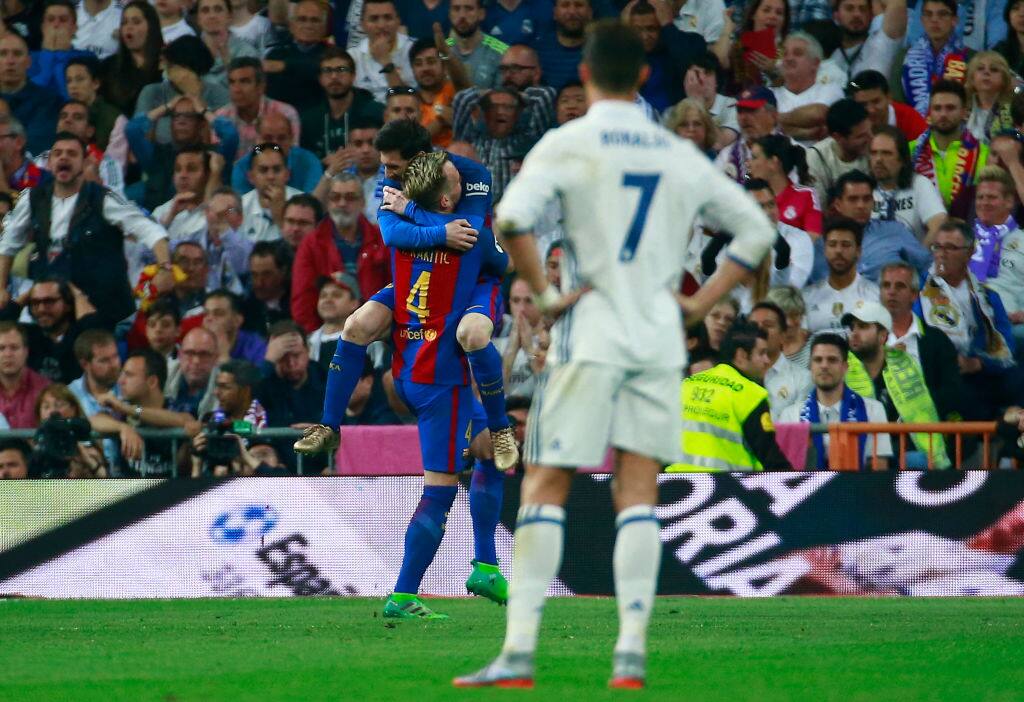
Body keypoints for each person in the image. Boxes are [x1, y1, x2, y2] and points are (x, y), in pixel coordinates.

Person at [454, 21, 775, 689]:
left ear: (585, 75)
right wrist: (698, 301)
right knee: (639, 492)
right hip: (657, 336)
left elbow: (511, 219)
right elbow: (754, 228)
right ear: (643, 77)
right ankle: (630, 650)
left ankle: (519, 652)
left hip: (591, 330)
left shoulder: (567, 142)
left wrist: (543, 291)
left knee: (546, 483)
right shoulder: (675, 150)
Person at [0, 132, 173, 329]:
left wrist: (165, 267)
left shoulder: (103, 199)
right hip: (52, 314)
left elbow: (151, 231)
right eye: (58, 154)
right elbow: (7, 245)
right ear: (49, 164)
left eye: (72, 154)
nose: (64, 157)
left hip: (105, 313)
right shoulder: (32, 198)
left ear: (84, 162)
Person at [917, 219, 1024, 421]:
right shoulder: (919, 290)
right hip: (935, 371)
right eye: (937, 247)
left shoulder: (987, 297)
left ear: (968, 253)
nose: (941, 253)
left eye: (950, 248)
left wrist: (978, 363)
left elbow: (1006, 347)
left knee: (1017, 375)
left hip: (977, 370)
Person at [669, 320, 791, 472]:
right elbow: (769, 456)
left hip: (673, 487)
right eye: (761, 353)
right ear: (741, 356)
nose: (767, 360)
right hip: (726, 488)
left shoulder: (686, 385)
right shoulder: (750, 394)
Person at [842, 301, 951, 468]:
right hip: (857, 455)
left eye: (863, 327)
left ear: (883, 336)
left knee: (919, 460)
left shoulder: (905, 366)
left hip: (901, 454)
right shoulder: (842, 369)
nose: (854, 333)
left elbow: (919, 418)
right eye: (852, 327)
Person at [291, 173, 390, 332]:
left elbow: (395, 289)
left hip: (377, 333)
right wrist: (315, 340)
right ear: (328, 203)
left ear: (363, 202)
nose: (342, 203)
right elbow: (303, 299)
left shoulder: (382, 239)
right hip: (326, 334)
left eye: (350, 197)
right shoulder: (311, 244)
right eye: (335, 197)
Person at [778, 332, 892, 469]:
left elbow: (879, 467)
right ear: (810, 367)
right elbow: (785, 469)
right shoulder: (790, 415)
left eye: (832, 360)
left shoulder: (873, 410)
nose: (824, 366)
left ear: (845, 367)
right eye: (818, 360)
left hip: (856, 488)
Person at [879, 261, 965, 424]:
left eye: (900, 286)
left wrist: (916, 409)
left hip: (929, 427)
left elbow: (952, 390)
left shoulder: (937, 340)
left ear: (913, 294)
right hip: (883, 431)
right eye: (886, 285)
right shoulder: (869, 340)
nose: (891, 292)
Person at [99, 348, 198, 475]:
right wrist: (123, 427)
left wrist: (129, 409)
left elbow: (186, 420)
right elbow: (95, 420)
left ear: (152, 382)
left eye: (129, 375)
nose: (120, 381)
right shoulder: (122, 411)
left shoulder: (177, 407)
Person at [829, 170, 932, 284]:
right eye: (853, 199)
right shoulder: (824, 243)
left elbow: (928, 266)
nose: (861, 205)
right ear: (838, 205)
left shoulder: (895, 231)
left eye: (866, 199)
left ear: (873, 202)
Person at [910, 79, 989, 217]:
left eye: (950, 108)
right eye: (937, 108)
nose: (943, 114)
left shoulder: (983, 154)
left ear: (965, 112)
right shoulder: (910, 150)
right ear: (929, 112)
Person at [13, 276, 107, 384]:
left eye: (49, 301)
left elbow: (96, 330)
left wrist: (77, 294)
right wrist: (28, 295)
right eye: (35, 303)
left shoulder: (80, 334)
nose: (41, 309)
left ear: (68, 304)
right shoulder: (29, 334)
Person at [298, 47, 385, 161]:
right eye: (327, 71)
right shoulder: (309, 120)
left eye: (341, 69)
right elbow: (305, 161)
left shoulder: (375, 112)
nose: (334, 76)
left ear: (353, 76)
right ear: (320, 78)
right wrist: (323, 164)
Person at [623, 0, 706, 114]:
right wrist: (622, 31)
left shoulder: (691, 42)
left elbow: (688, 65)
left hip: (676, 121)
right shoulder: (625, 52)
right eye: (637, 30)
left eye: (651, 28)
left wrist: (668, 26)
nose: (644, 36)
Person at [869, 125, 947, 244]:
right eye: (874, 153)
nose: (878, 159)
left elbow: (939, 223)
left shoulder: (919, 184)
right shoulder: (863, 188)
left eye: (886, 153)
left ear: (902, 160)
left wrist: (919, 257)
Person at [802, 217, 880, 333]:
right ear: (824, 250)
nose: (838, 251)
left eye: (846, 245)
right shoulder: (807, 297)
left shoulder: (876, 296)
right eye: (832, 244)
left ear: (858, 251)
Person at [894, 0, 970, 119]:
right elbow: (897, 103)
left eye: (942, 14)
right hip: (914, 132)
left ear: (955, 20)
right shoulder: (905, 57)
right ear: (922, 20)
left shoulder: (970, 57)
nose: (934, 20)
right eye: (928, 14)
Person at [215, 56, 302, 159]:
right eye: (232, 82)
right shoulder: (221, 116)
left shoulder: (285, 113)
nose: (236, 89)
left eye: (244, 82)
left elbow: (289, 153)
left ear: (261, 87)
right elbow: (219, 158)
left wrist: (257, 152)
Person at [0, 32, 64, 156]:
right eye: (3, 54)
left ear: (29, 62)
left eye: (17, 54)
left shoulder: (48, 100)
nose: (10, 61)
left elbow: (38, 145)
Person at [773, 32, 843, 145]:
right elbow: (761, 127)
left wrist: (774, 119)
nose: (789, 58)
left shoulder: (831, 89)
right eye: (785, 54)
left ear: (815, 63)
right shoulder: (771, 93)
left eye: (797, 53)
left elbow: (818, 114)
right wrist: (805, 132)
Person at [231, 111, 322, 194]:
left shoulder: (310, 162)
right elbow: (237, 208)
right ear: (257, 139)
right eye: (268, 138)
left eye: (281, 138)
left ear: (291, 139)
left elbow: (313, 204)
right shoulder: (242, 167)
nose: (275, 145)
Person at [747, 133, 821, 235]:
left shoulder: (807, 195)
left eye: (754, 157)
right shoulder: (746, 197)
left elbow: (813, 240)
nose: (748, 164)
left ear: (773, 162)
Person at [99, 0, 164, 117]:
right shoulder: (108, 66)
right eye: (124, 23)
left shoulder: (166, 64)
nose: (129, 27)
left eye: (136, 22)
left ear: (151, 26)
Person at [749, 301, 811, 420]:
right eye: (753, 325)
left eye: (767, 325)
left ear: (783, 336)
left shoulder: (803, 378)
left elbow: (798, 425)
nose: (760, 331)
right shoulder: (736, 374)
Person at [257, 320, 326, 428]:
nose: (291, 364)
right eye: (283, 357)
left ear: (308, 351)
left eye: (296, 355)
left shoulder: (324, 378)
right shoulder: (264, 381)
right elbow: (246, 401)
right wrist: (268, 362)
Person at [263, 0, 329, 111]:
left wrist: (285, 66)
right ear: (291, 25)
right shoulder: (275, 54)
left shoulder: (333, 54)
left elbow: (329, 70)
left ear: (324, 27)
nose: (308, 25)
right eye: (302, 19)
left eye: (315, 20)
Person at [805, 98, 872, 207]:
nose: (870, 138)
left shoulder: (876, 149)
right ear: (838, 137)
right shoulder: (816, 157)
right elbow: (817, 208)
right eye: (861, 136)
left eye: (870, 131)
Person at [826, 0, 907, 83]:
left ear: (871, 15)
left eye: (863, 9)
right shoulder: (831, 59)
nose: (857, 14)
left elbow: (897, 3)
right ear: (836, 16)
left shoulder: (883, 43)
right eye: (849, 9)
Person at [350, 0, 415, 102]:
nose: (381, 25)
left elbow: (409, 100)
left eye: (388, 18)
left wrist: (386, 63)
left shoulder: (414, 50)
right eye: (374, 19)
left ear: (398, 21)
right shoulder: (352, 57)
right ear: (362, 24)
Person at [713, 86, 779, 183]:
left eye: (751, 110)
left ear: (773, 115)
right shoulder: (726, 156)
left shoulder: (793, 151)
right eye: (740, 111)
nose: (744, 118)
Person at [239, 143, 302, 242]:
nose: (271, 176)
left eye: (277, 170)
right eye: (263, 170)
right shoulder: (241, 207)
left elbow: (305, 250)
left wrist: (280, 216)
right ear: (250, 177)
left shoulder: (303, 203)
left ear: (287, 174)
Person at [846, 69, 926, 142]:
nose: (870, 110)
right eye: (863, 105)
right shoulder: (848, 124)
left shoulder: (911, 120)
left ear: (889, 98)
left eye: (876, 101)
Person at [970, 166, 1019, 284]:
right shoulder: (963, 237)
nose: (984, 203)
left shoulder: (1022, 241)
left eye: (992, 197)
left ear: (1009, 202)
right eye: (980, 197)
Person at [530, 0, 593, 90]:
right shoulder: (538, 50)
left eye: (579, 5)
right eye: (565, 5)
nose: (572, 12)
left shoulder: (603, 49)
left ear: (590, 13)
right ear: (555, 13)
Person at [447, 0, 509, 89]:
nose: (462, 15)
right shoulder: (440, 50)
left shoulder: (502, 53)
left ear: (481, 14)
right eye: (456, 9)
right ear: (449, 14)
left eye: (469, 9)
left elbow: (504, 97)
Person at [0, 321, 51, 428]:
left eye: (14, 348)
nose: (8, 354)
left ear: (26, 351)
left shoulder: (45, 390)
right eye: (1, 348)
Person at [165, 326, 219, 416]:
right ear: (180, 355)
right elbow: (139, 408)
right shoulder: (163, 374)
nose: (196, 361)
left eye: (204, 354)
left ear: (216, 358)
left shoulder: (227, 385)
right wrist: (138, 411)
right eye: (189, 353)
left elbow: (247, 426)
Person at [203, 289, 267, 365]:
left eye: (218, 313)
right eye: (206, 313)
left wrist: (224, 355)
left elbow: (256, 376)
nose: (209, 319)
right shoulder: (197, 342)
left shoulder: (256, 346)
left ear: (237, 321)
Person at [241, 241, 291, 335]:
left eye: (267, 274)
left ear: (283, 271)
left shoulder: (297, 305)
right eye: (254, 275)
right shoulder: (246, 310)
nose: (259, 283)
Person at [766, 285, 812, 367]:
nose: (788, 323)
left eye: (794, 315)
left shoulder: (817, 344)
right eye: (782, 316)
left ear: (802, 314)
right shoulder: (761, 347)